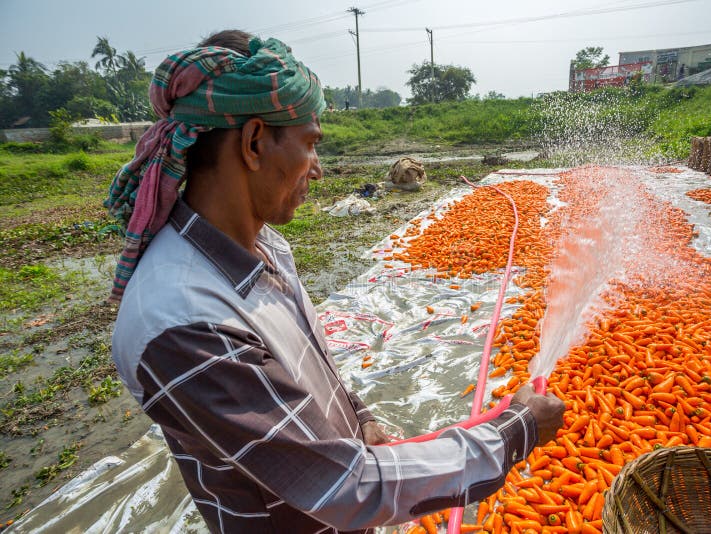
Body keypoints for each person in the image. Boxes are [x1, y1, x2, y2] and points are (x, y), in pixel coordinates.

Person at [106, 29, 565, 534]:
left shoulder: (264, 247)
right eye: (311, 144)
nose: (318, 170)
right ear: (254, 142)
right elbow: (344, 486)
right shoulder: (180, 321)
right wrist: (514, 431)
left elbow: (309, 365)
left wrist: (358, 415)